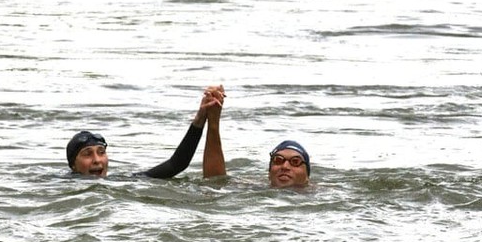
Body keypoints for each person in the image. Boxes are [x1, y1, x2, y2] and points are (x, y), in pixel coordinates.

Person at [66, 85, 225, 179]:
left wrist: (200, 119)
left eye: (101, 152)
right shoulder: (60, 183)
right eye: (87, 154)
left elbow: (176, 164)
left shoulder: (122, 181)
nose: (96, 160)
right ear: (73, 166)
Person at [201, 90, 312, 188]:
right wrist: (213, 120)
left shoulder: (319, 193)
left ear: (307, 176)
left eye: (295, 162)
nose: (285, 166)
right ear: (269, 174)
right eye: (278, 160)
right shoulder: (255, 188)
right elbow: (215, 182)